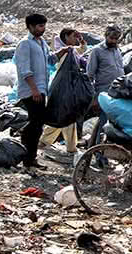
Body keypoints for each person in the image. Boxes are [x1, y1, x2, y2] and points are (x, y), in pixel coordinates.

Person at [15, 13, 71, 169]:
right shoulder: (25, 44)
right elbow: (24, 70)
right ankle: (27, 157)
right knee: (36, 124)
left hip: (41, 89)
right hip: (32, 91)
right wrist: (34, 90)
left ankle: (29, 156)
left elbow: (50, 60)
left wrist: (64, 52)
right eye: (40, 26)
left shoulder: (42, 43)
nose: (43, 29)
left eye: (44, 26)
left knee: (37, 124)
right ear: (31, 27)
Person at [40, 28, 89, 163]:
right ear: (66, 37)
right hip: (62, 89)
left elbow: (81, 51)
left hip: (69, 88)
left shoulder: (71, 51)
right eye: (73, 36)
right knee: (62, 116)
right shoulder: (61, 51)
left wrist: (82, 42)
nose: (75, 39)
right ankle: (45, 142)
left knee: (68, 116)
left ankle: (70, 147)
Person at [87, 25, 125, 94]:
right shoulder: (97, 51)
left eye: (116, 39)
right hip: (104, 90)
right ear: (106, 36)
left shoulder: (117, 50)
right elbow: (90, 73)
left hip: (119, 88)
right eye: (111, 38)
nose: (113, 41)